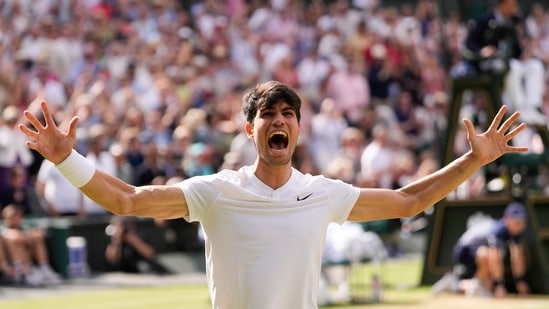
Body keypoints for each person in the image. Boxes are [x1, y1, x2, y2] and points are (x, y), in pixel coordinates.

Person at [19, 80, 527, 308]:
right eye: (268, 114)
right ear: (249, 129)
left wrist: (476, 159)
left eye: (288, 114)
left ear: (299, 129)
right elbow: (128, 200)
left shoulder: (323, 193)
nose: (279, 121)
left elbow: (409, 201)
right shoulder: (216, 191)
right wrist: (65, 157)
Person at [457, 0, 546, 125]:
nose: (515, 6)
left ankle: (532, 107)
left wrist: (525, 54)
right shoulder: (485, 20)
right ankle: (519, 110)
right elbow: (468, 45)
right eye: (512, 3)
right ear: (502, 4)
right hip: (488, 65)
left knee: (535, 66)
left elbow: (516, 50)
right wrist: (482, 51)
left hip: (510, 64)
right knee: (513, 68)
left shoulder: (513, 21)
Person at [432, 201, 530, 298]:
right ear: (507, 219)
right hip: (464, 251)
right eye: (517, 222)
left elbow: (517, 257)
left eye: (522, 222)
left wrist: (520, 280)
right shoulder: (498, 229)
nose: (520, 226)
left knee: (486, 284)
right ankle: (460, 285)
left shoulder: (516, 233)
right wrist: (499, 285)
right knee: (487, 256)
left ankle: (454, 284)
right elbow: (494, 256)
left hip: (478, 252)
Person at [1, 204, 62, 286]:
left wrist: (25, 237)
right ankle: (22, 270)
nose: (15, 219)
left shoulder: (24, 226)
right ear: (6, 218)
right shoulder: (2, 227)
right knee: (15, 242)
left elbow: (38, 235)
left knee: (36, 241)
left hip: (27, 256)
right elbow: (13, 237)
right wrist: (24, 237)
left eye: (17, 216)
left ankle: (43, 267)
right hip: (9, 260)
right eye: (12, 216)